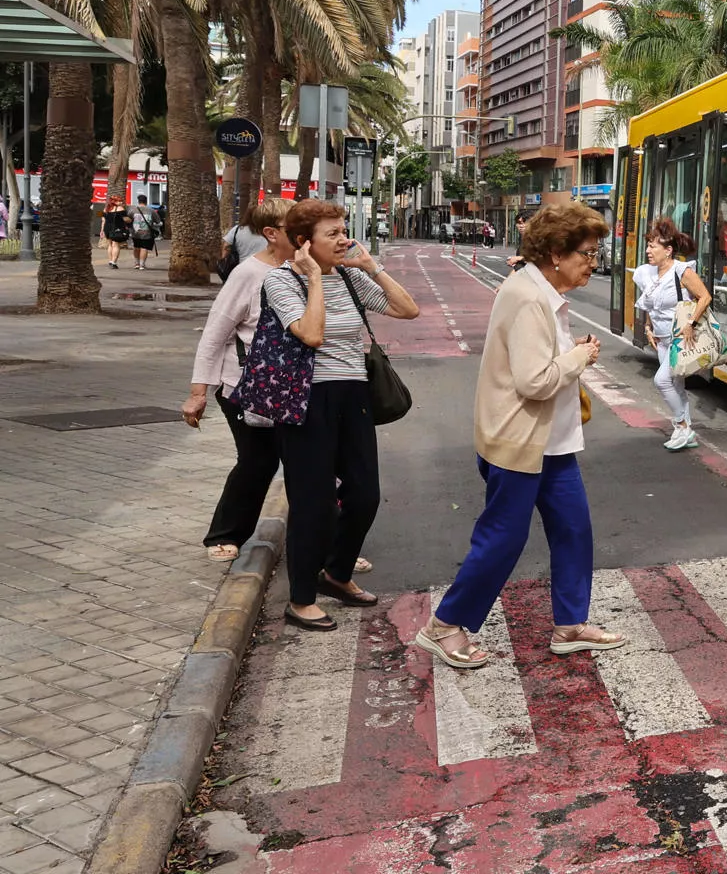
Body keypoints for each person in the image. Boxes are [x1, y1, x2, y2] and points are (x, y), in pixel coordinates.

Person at [415, 202, 626, 668]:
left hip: (551, 442)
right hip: (519, 441)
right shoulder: (529, 296)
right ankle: (444, 625)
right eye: (587, 254)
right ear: (555, 252)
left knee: (574, 530)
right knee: (502, 539)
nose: (594, 262)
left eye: (595, 254)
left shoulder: (539, 291)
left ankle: (570, 624)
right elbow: (534, 382)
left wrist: (568, 355)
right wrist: (579, 357)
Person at [264, 200, 421, 631]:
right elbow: (311, 335)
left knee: (365, 494)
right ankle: (300, 599)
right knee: (312, 503)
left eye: (342, 230)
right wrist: (314, 278)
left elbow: (408, 310)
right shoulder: (281, 282)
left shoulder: (351, 279)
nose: (343, 239)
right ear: (303, 242)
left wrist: (372, 267)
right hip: (307, 400)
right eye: (331, 234)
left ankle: (336, 573)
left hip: (354, 395)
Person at [185, 199, 296, 560]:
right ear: (271, 234)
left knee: (311, 464)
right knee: (257, 462)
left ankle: (330, 549)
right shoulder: (248, 273)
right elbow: (215, 334)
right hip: (245, 385)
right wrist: (199, 392)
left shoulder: (307, 268)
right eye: (294, 225)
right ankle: (225, 535)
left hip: (294, 387)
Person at [631, 218, 712, 452]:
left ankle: (683, 425)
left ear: (668, 251)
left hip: (680, 336)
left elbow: (704, 297)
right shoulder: (646, 273)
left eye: (653, 246)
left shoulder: (681, 270)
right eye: (648, 245)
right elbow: (648, 304)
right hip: (661, 338)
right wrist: (647, 328)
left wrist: (690, 323)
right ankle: (685, 434)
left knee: (662, 380)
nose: (647, 250)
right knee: (676, 386)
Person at [128, 197, 159, 270]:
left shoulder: (132, 210)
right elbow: (158, 221)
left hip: (135, 232)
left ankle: (136, 263)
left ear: (138, 201)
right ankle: (142, 265)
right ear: (146, 201)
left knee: (136, 247)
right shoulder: (151, 210)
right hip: (147, 233)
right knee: (144, 248)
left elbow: (128, 219)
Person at [102, 199, 131, 270]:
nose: (121, 202)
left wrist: (101, 230)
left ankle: (110, 260)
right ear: (114, 202)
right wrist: (130, 220)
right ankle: (113, 262)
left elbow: (103, 220)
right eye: (119, 201)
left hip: (107, 228)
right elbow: (126, 219)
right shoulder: (120, 208)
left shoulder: (105, 209)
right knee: (115, 244)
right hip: (116, 228)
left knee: (110, 245)